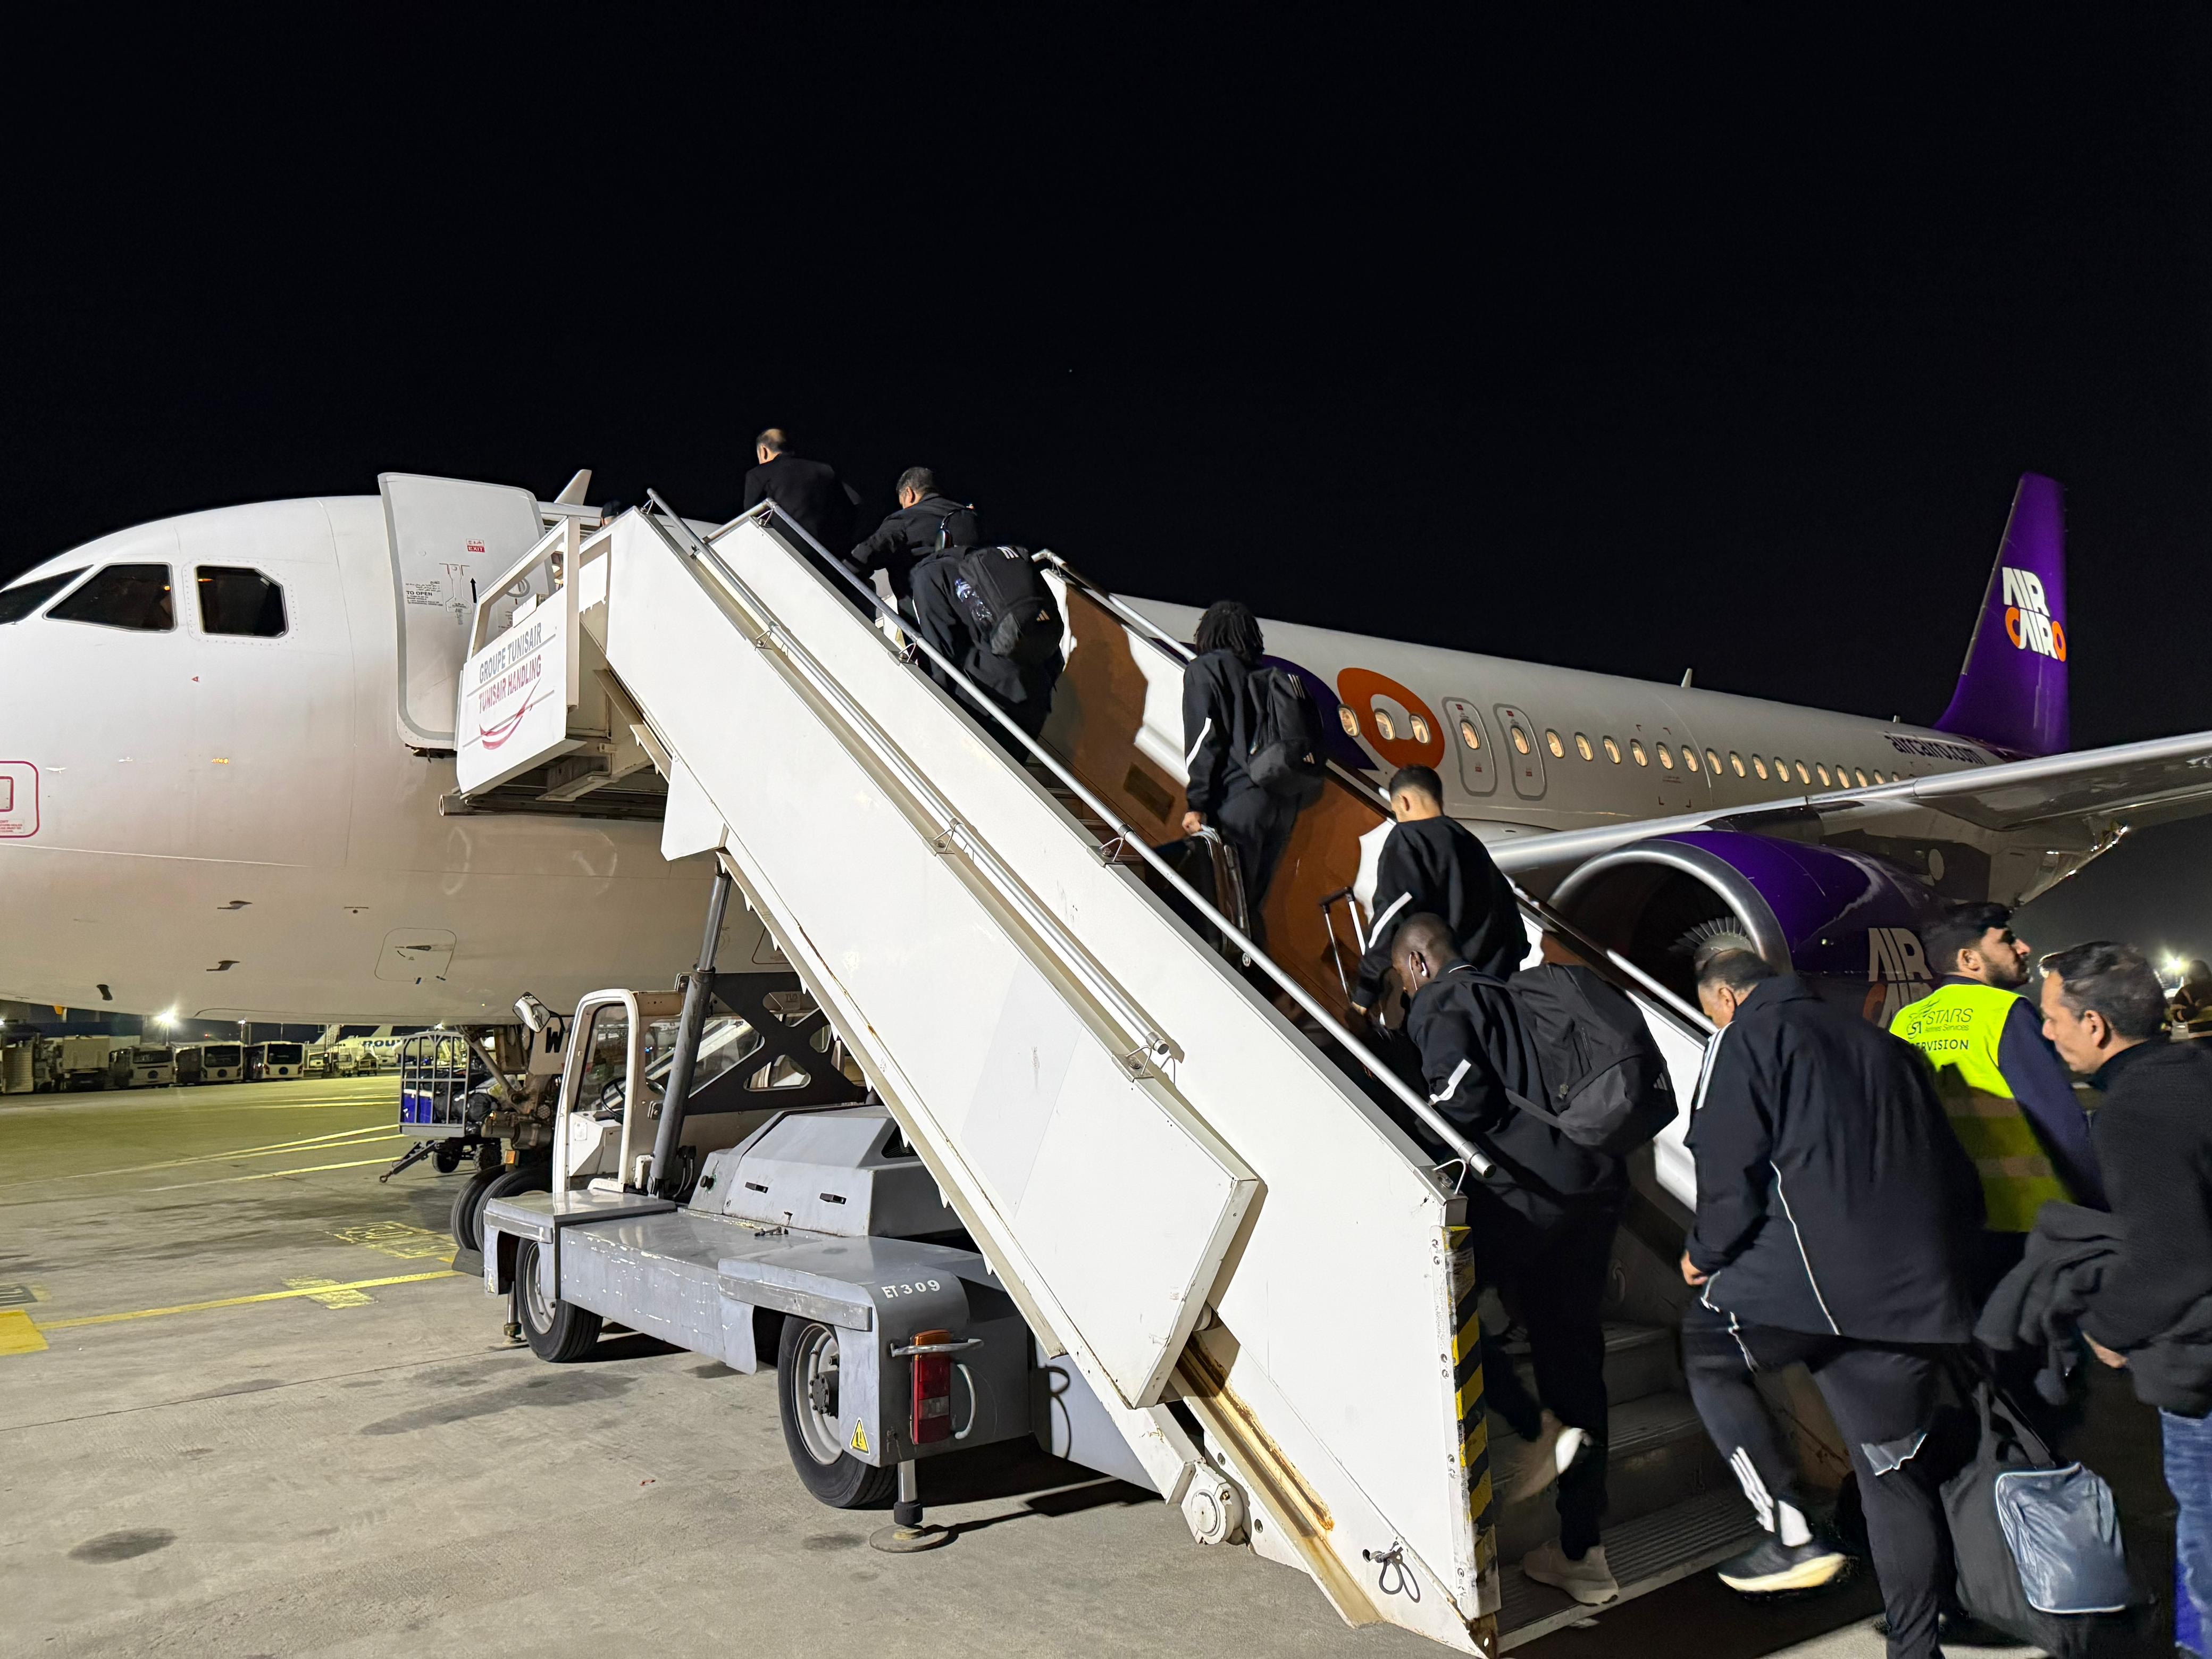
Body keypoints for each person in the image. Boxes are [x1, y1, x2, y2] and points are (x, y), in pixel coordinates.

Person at [1680, 942, 1983, 1658]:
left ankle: (1789, 1531)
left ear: (1723, 998)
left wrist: (1703, 1253)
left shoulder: (1745, 1038)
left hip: (1811, 1289)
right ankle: (1916, 1647)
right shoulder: (1886, 1048)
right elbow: (1953, 1170)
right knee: (1891, 1477)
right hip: (1912, 1298)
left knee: (1706, 1351)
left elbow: (1728, 1171)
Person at [1394, 912, 1627, 1607]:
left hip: (1523, 1199)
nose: (1405, 992)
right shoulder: (1522, 995)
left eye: (1402, 978)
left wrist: (1415, 1123)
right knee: (1575, 1361)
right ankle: (1584, 1552)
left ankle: (1530, 1426)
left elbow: (1460, 1094)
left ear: (1417, 965)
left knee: (1445, 1311)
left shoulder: (1441, 1001)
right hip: (1592, 1189)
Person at [2039, 942, 2212, 1653]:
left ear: (2094, 1024)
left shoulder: (2133, 1113)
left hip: (2201, 1366)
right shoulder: (2198, 1072)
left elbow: (2175, 1257)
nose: (2046, 1032)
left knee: (2206, 1548)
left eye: (2052, 1018)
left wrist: (2107, 1327)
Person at [1890, 902, 2104, 1286]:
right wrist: (2097, 1207)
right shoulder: (2004, 1010)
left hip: (1952, 1217)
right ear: (1969, 959)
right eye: (2007, 940)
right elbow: (2060, 1123)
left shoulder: (1906, 1021)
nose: (2024, 948)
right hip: (2029, 1218)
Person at [1348, 764, 1524, 1019]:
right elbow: (1509, 911)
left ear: (1404, 801)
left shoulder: (1409, 838)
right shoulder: (1468, 841)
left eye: (1396, 810)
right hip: (1495, 988)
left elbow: (1392, 913)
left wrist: (1366, 989)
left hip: (1450, 996)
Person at [1179, 601, 1299, 931]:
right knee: (1249, 905)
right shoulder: (1266, 677)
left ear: (1207, 633)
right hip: (1280, 806)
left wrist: (1196, 803)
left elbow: (1206, 739)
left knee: (1222, 905)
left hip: (1237, 803)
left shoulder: (1206, 670)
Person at [849, 467, 979, 608]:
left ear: (909, 494)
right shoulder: (970, 517)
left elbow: (867, 552)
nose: (904, 508)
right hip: (982, 602)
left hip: (934, 610)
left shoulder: (905, 520)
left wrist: (840, 576)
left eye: (903, 504)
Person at [740, 428, 855, 549]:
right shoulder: (824, 470)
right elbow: (851, 506)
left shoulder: (758, 474)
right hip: (828, 551)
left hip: (785, 550)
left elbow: (751, 518)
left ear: (764, 451)